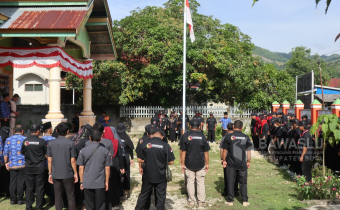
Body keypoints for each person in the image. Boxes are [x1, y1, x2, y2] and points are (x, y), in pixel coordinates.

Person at [135, 128, 175, 210]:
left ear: (152, 135)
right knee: (161, 196)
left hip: (147, 174)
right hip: (160, 175)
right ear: (162, 137)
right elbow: (171, 162)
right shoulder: (165, 145)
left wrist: (149, 159)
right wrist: (162, 161)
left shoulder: (145, 143)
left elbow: (139, 159)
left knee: (143, 195)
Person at [77, 129, 112, 210]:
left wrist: (81, 181)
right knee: (100, 205)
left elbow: (81, 168)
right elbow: (107, 168)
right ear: (100, 138)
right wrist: (106, 182)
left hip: (87, 182)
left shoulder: (83, 151)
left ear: (90, 138)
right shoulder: (105, 151)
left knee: (89, 205)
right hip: (100, 182)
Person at [222, 120, 253, 207]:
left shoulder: (228, 137)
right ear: (242, 128)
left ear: (234, 127)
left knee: (231, 181)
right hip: (242, 164)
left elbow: (224, 150)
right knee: (243, 182)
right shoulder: (246, 137)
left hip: (231, 164)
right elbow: (249, 151)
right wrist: (248, 161)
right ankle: (245, 201)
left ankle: (230, 200)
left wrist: (224, 160)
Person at [47, 123, 78, 210]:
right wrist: (75, 172)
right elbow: (73, 160)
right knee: (71, 196)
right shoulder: (70, 143)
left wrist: (50, 173)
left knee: (58, 196)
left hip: (56, 173)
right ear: (67, 131)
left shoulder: (51, 143)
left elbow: (49, 160)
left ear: (56, 131)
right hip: (68, 173)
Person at [180, 119, 210, 207]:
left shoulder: (185, 136)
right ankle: (201, 202)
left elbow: (183, 152)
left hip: (189, 163)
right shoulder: (203, 136)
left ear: (189, 126)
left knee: (190, 181)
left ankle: (191, 201)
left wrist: (182, 164)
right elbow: (206, 152)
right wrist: (207, 164)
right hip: (200, 163)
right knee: (200, 182)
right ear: (200, 127)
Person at [21, 123, 47, 210]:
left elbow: (23, 153)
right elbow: (46, 153)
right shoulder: (42, 141)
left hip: (28, 167)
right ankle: (39, 206)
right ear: (38, 131)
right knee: (39, 188)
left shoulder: (25, 141)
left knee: (29, 188)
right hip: (39, 168)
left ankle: (28, 206)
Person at [3, 124, 26, 205]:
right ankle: (20, 199)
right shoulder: (25, 139)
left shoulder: (8, 139)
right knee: (21, 182)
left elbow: (5, 153)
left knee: (12, 182)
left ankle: (13, 199)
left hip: (12, 164)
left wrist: (6, 163)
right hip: (22, 164)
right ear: (22, 130)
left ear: (14, 130)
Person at [105, 127, 124, 209]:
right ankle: (114, 202)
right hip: (115, 165)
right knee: (114, 184)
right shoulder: (116, 142)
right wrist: (122, 167)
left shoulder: (102, 142)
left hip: (105, 166)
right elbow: (120, 156)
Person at [219, 123, 239, 197]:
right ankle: (235, 190)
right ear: (233, 128)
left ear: (227, 129)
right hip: (237, 158)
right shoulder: (237, 136)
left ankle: (227, 191)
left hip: (227, 158)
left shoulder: (224, 137)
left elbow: (222, 149)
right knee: (236, 175)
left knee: (227, 175)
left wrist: (222, 159)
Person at [116, 123, 135, 197]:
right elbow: (131, 149)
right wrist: (132, 158)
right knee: (126, 174)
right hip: (126, 158)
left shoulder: (115, 138)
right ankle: (126, 189)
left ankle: (120, 190)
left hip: (118, 158)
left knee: (119, 173)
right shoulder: (126, 138)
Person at [41, 122, 56, 206]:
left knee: (42, 183)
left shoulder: (40, 139)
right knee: (51, 183)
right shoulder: (54, 139)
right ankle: (52, 200)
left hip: (42, 165)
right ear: (50, 129)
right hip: (52, 165)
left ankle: (42, 199)